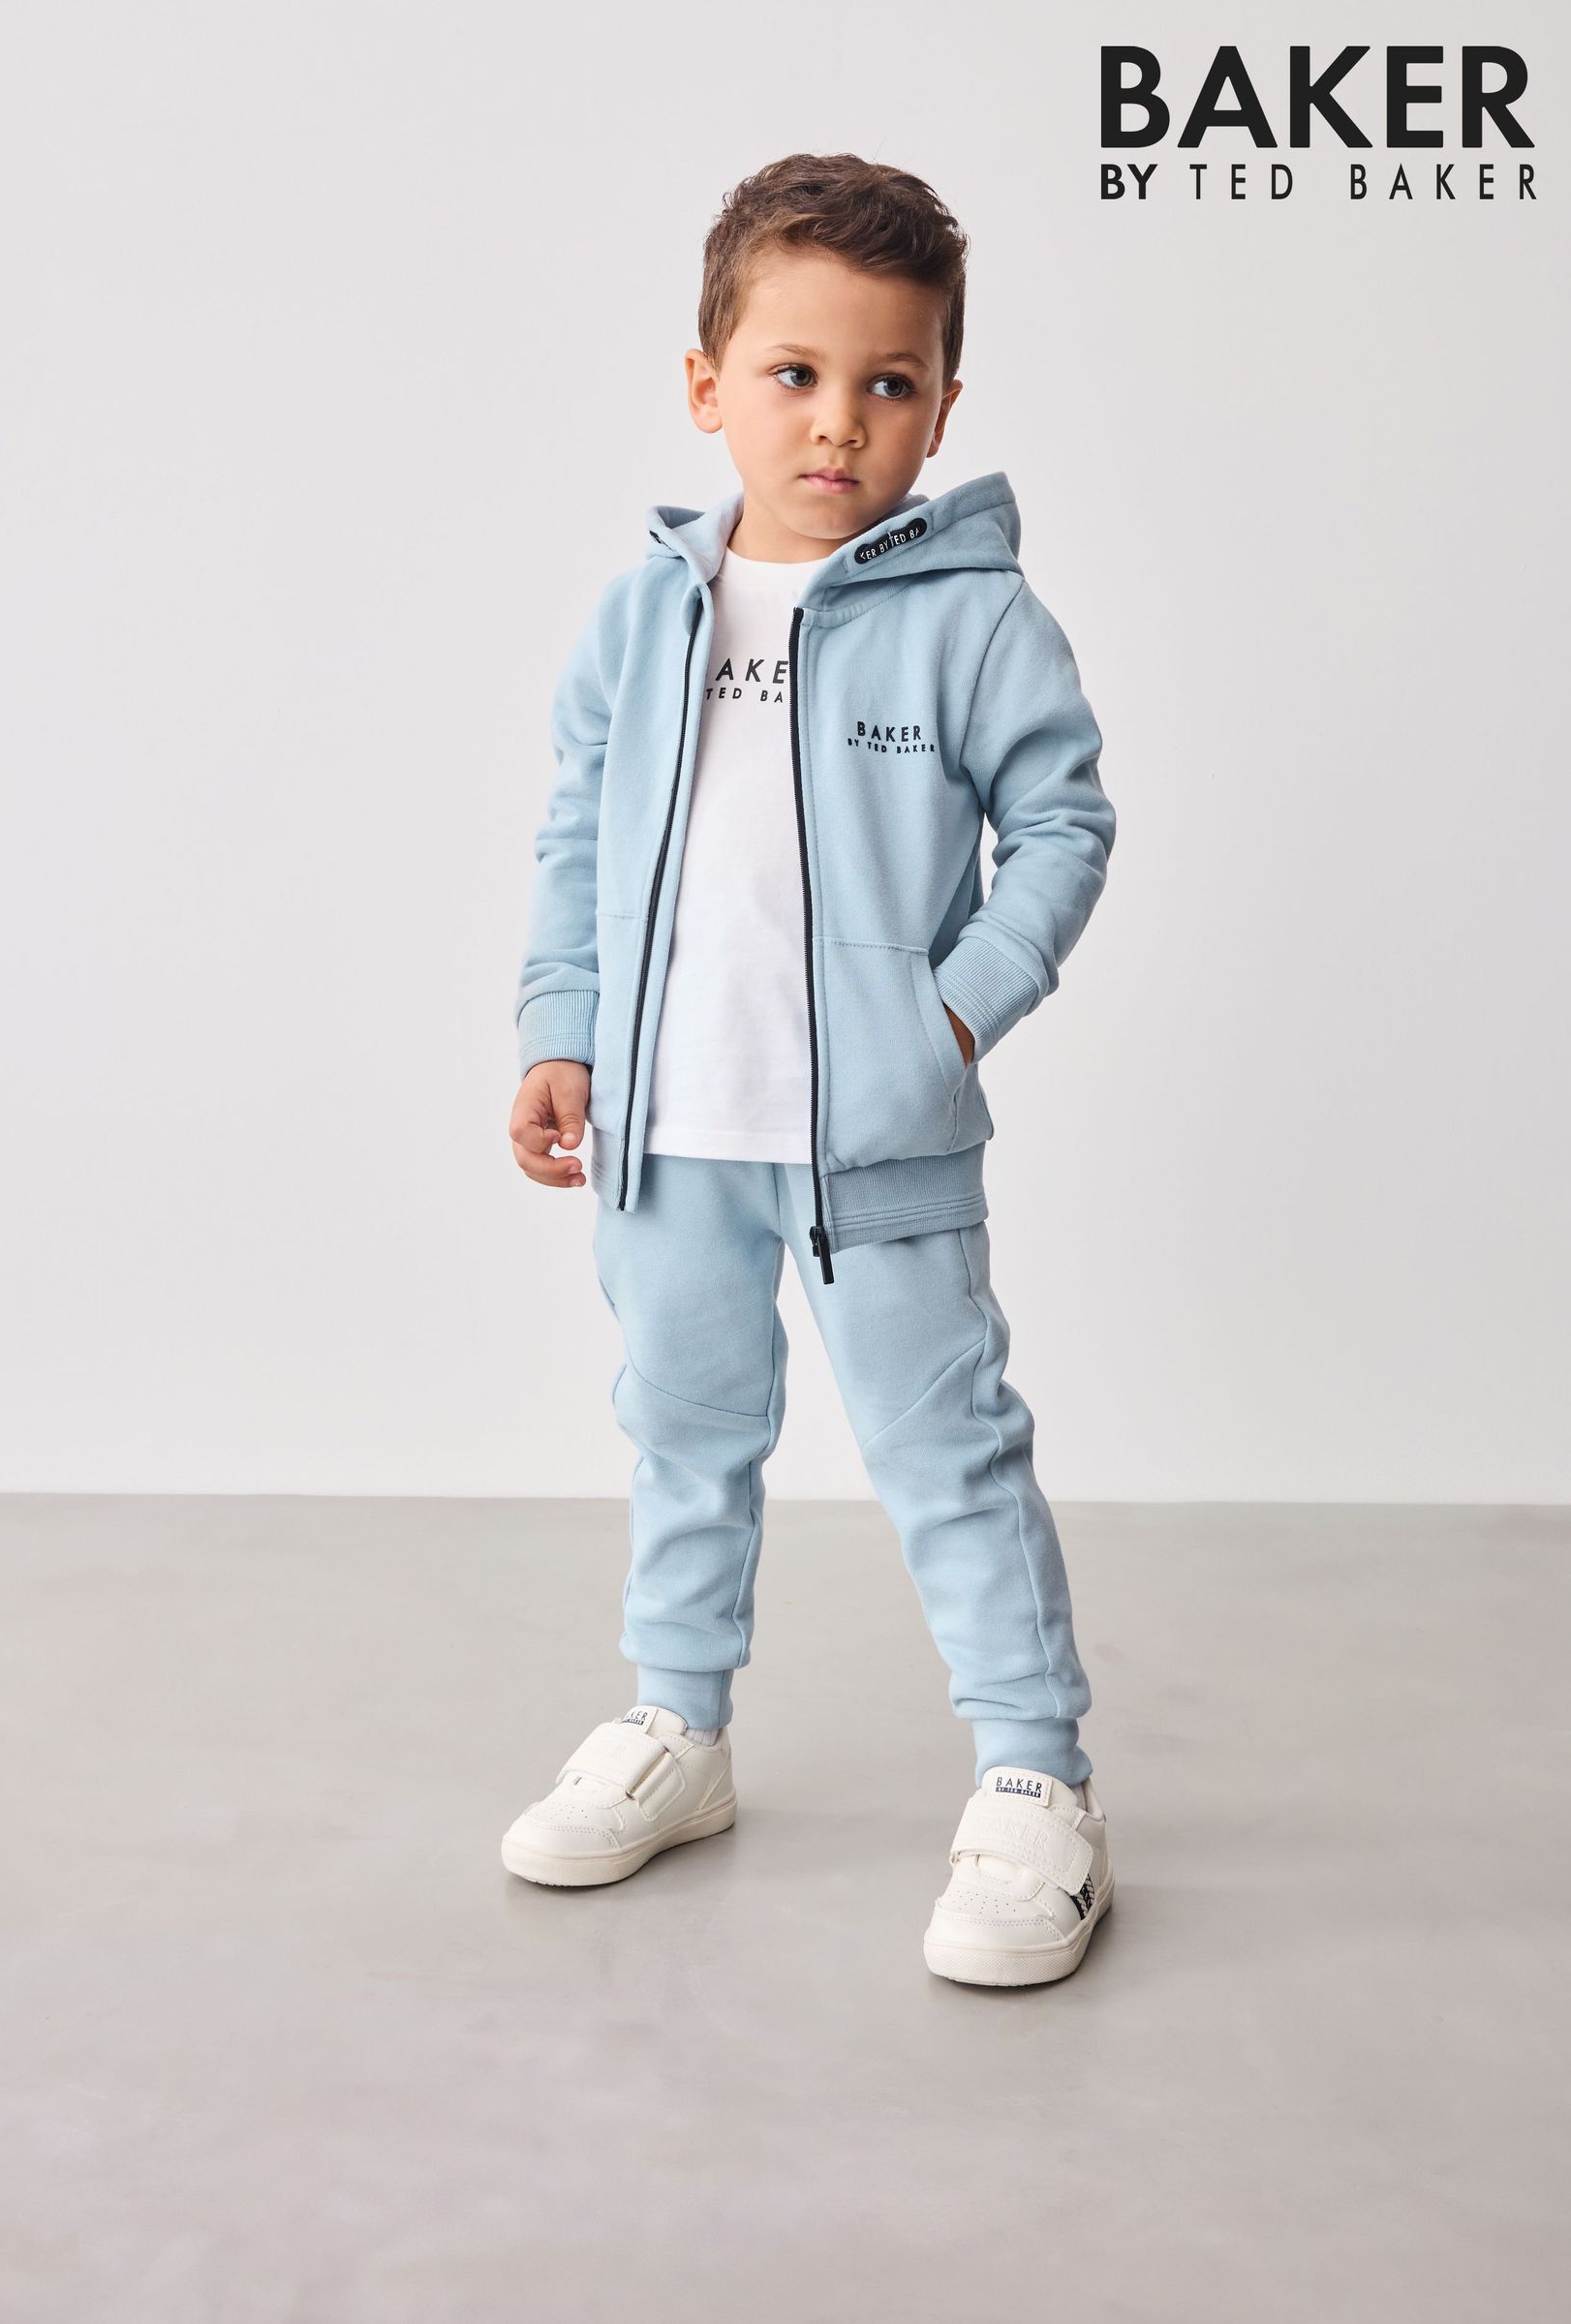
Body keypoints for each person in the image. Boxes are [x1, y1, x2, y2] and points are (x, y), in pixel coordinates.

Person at [503, 153, 1117, 1986]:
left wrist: (956, 1011)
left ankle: (1036, 1776)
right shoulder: (644, 616)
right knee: (684, 1433)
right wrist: (559, 1026)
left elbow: (1064, 823)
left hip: (879, 1145)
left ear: (942, 406)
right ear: (709, 386)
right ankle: (677, 1726)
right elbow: (576, 838)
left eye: (888, 382)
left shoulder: (976, 616)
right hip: (668, 1135)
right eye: (794, 373)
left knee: (948, 1450)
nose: (839, 420)